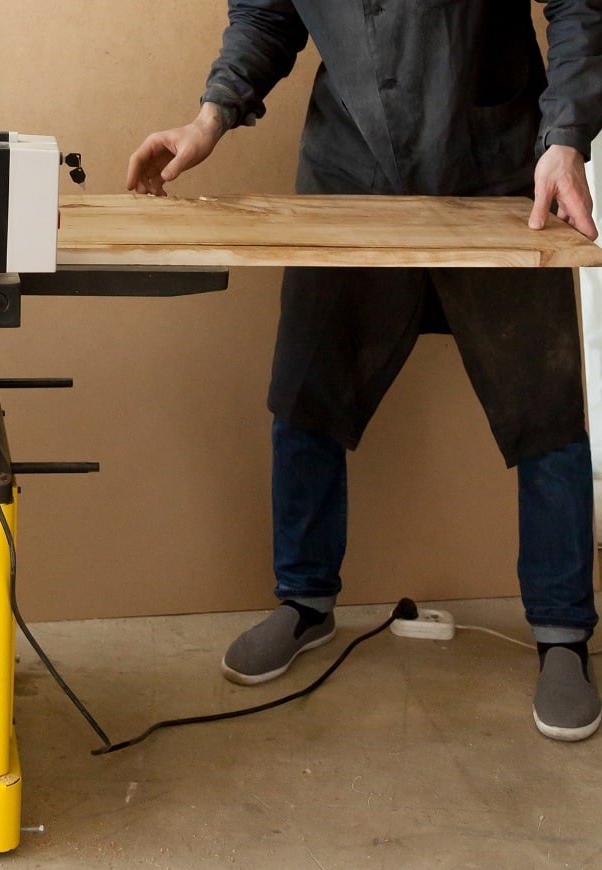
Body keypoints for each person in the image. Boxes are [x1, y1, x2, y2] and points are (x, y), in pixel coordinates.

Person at [128, 1, 602, 741]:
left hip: (500, 160)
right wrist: (210, 117)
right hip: (352, 158)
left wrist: (566, 136)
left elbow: (581, 5)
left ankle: (564, 633)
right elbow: (265, 15)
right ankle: (306, 602)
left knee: (542, 399)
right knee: (307, 388)